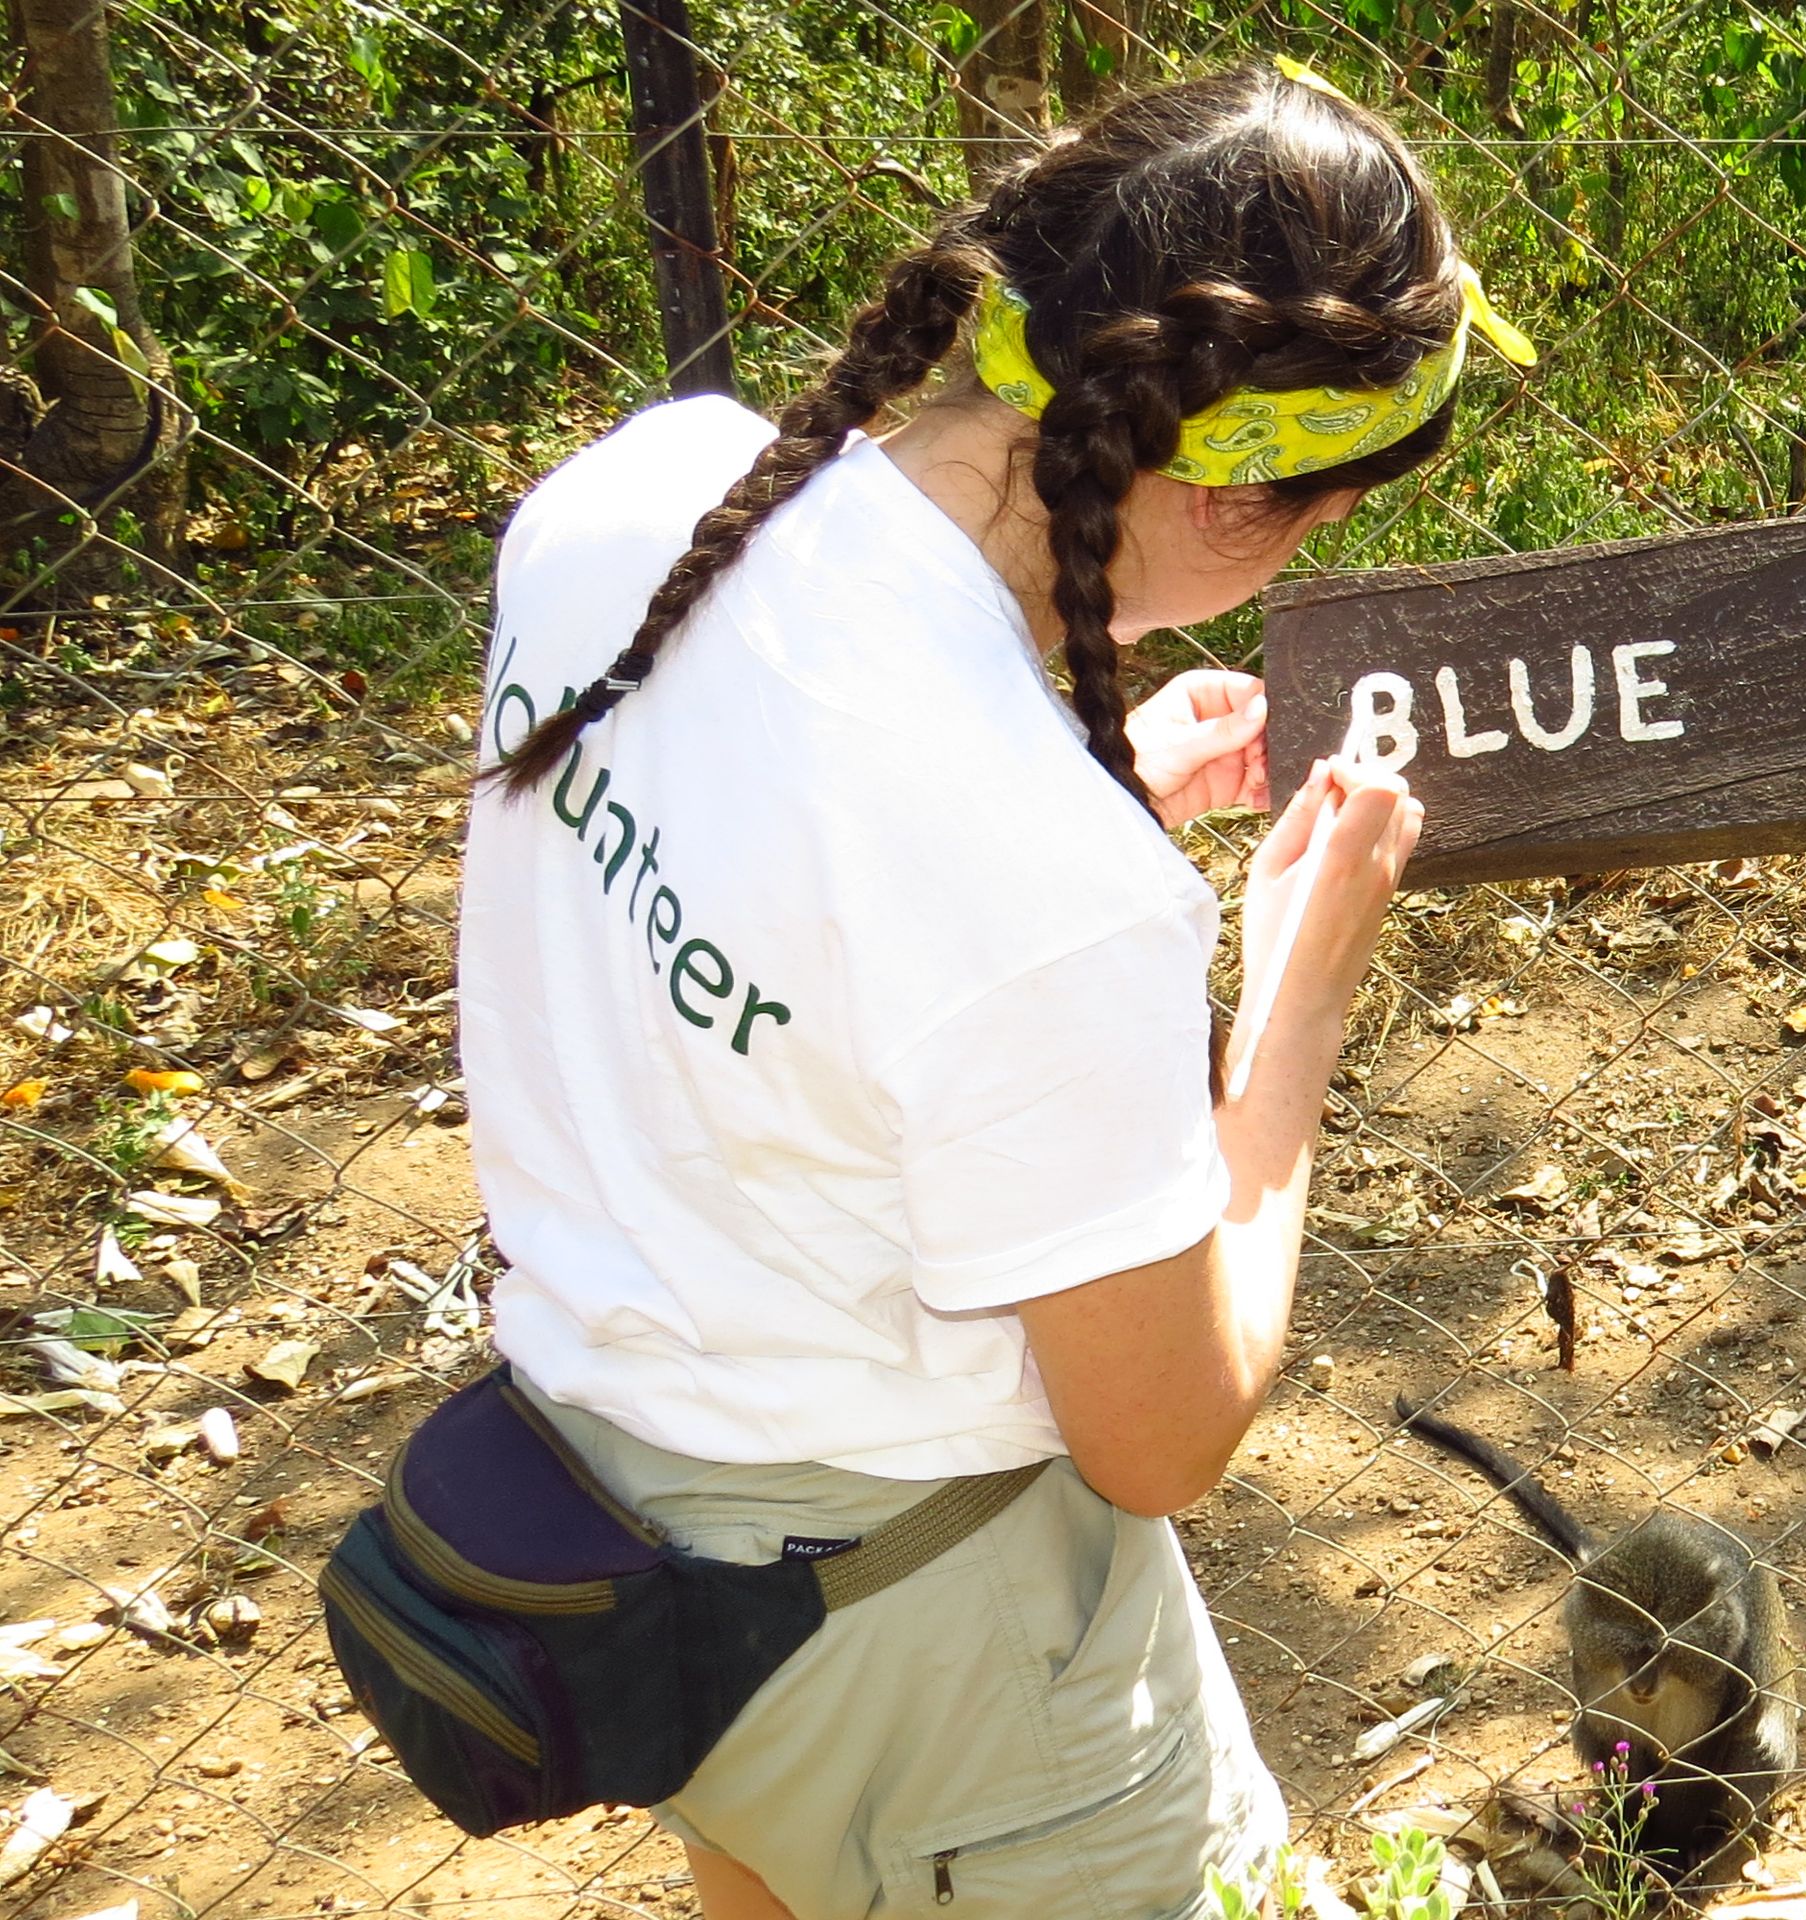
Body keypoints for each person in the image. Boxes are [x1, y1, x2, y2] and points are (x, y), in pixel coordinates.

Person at [454, 65, 1520, 1917]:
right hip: (926, 1649)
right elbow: (1163, 1435)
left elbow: (791, 859)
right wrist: (1295, 1002)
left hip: (619, 1547)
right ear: (1243, 504)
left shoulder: (635, 499)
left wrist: (1084, 790)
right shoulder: (1042, 875)